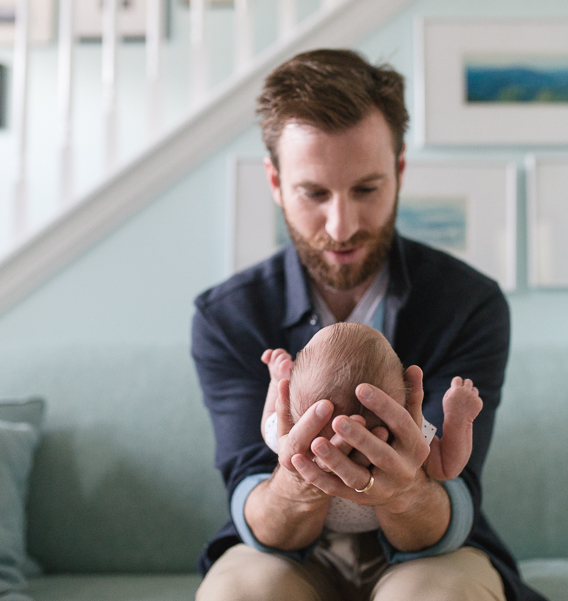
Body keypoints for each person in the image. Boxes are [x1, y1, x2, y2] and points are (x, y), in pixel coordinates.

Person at [191, 49, 546, 601]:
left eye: (366, 189)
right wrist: (299, 475)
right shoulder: (228, 317)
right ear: (276, 182)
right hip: (289, 554)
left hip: (429, 551)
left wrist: (404, 493)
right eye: (314, 193)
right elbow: (255, 506)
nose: (343, 224)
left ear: (399, 171)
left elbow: (453, 491)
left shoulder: (468, 304)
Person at [262, 322, 482, 486]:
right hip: (386, 529)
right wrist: (458, 420)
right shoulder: (407, 435)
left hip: (315, 533)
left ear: (291, 400)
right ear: (404, 395)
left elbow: (269, 424)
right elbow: (446, 466)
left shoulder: (292, 437)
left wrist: (276, 382)